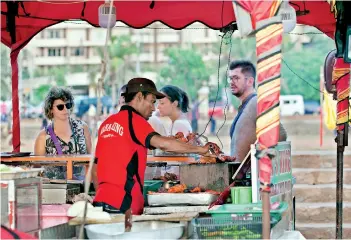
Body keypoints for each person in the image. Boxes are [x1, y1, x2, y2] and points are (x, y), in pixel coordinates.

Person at [92, 78, 214, 229]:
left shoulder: (107, 123)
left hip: (100, 202)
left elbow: (95, 168)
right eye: (151, 101)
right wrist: (201, 150)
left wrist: (104, 194)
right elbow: (163, 144)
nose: (153, 108)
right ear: (139, 97)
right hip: (124, 205)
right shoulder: (135, 120)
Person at [228, 60, 287, 162]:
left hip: (251, 176)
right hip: (240, 175)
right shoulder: (247, 104)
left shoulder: (256, 102)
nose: (232, 82)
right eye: (230, 78)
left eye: (236, 78)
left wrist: (256, 162)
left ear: (250, 81)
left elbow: (280, 134)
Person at [34, 87, 92, 180]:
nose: (65, 109)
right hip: (55, 189)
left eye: (68, 105)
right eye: (60, 107)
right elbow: (37, 169)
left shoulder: (82, 128)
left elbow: (90, 161)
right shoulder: (43, 136)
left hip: (81, 187)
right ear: (51, 109)